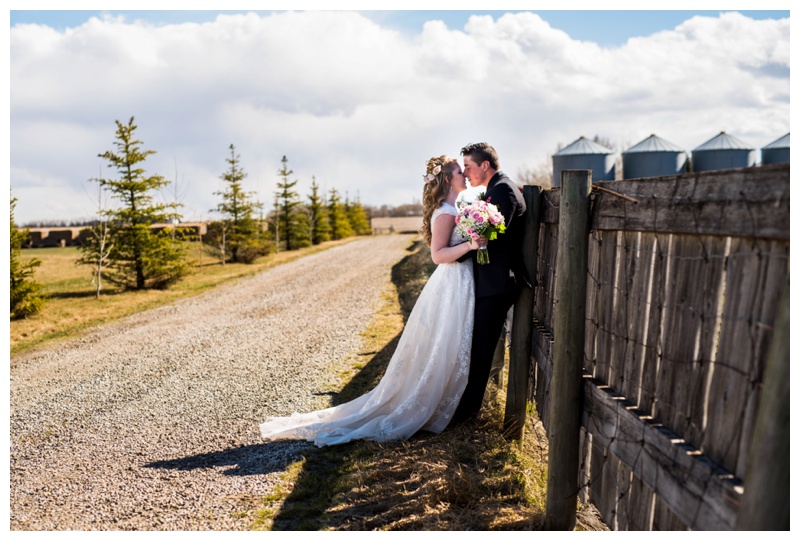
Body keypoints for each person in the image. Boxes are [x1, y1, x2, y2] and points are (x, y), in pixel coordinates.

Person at [259, 155, 487, 447]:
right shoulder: (444, 213)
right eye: (459, 171)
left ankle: (445, 403)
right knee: (444, 344)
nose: (464, 175)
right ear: (446, 179)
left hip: (461, 283)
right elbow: (437, 255)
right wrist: (470, 244)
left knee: (449, 345)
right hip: (452, 283)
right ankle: (424, 408)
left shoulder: (456, 208)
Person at [449, 142, 528, 426]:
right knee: (479, 348)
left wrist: (457, 252)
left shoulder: (502, 190)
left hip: (496, 284)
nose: (467, 172)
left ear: (484, 165)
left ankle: (466, 416)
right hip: (491, 283)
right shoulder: (498, 188)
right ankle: (467, 411)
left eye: (468, 166)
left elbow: (491, 237)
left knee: (481, 351)